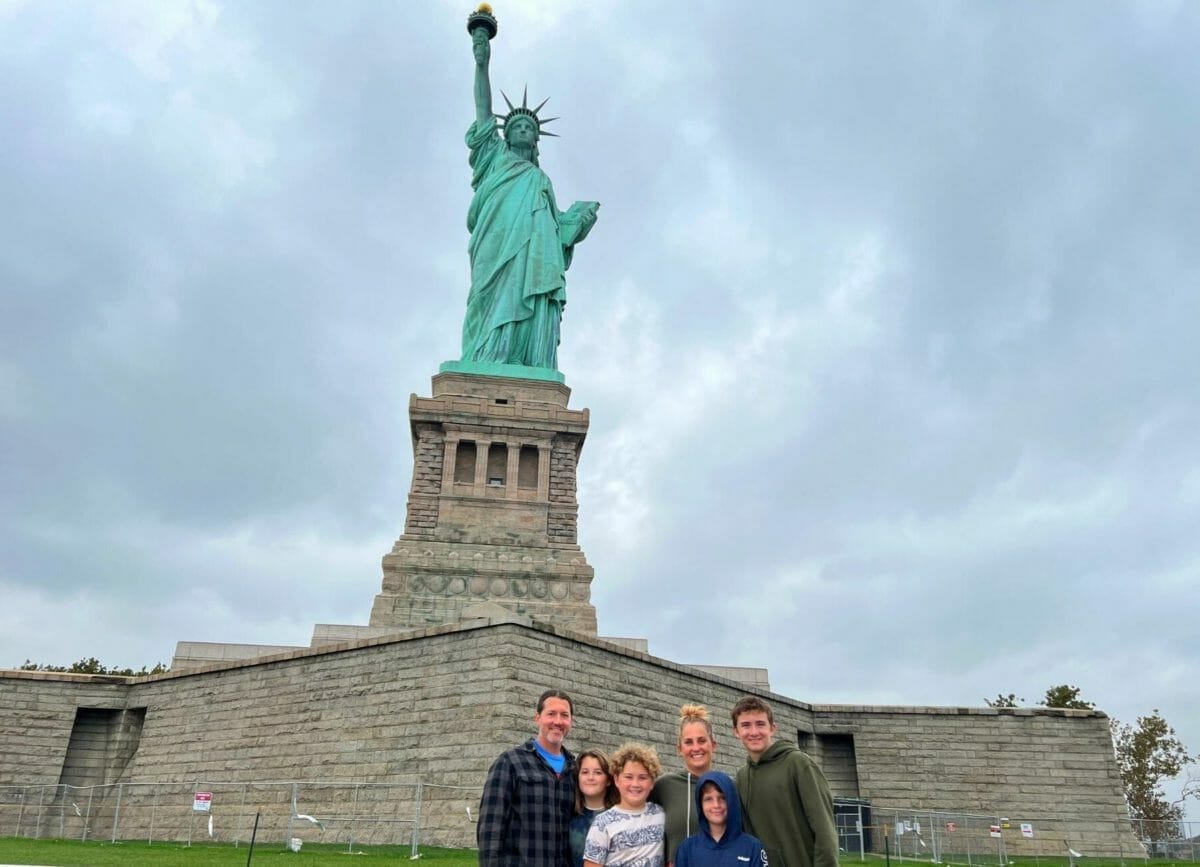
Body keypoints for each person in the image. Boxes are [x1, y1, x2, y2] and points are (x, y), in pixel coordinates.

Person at [463, 20, 600, 370]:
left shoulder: (541, 180)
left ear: (536, 140)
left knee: (532, 294)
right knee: (486, 298)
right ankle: (485, 355)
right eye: (516, 126)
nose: (523, 129)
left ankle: (525, 358)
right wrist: (482, 62)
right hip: (495, 246)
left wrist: (576, 224)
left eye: (529, 127)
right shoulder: (493, 158)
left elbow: (556, 232)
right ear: (505, 135)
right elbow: (482, 109)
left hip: (533, 256)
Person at [731, 696, 839, 867]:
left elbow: (824, 832)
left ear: (772, 728)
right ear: (736, 731)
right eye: (745, 725)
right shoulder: (742, 778)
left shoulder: (799, 764)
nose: (753, 732)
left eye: (760, 724)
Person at [477, 689, 577, 867]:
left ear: (571, 722)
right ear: (537, 718)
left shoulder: (575, 769)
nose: (558, 721)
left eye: (564, 715)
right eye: (551, 714)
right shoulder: (510, 762)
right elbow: (490, 829)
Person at [650, 704, 718, 864]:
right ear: (679, 748)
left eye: (702, 740)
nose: (696, 748)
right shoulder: (664, 786)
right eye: (688, 742)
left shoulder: (728, 787)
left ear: (713, 745)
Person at [583, 743, 666, 867]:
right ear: (616, 780)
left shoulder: (660, 814)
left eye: (643, 778)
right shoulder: (602, 823)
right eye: (628, 777)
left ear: (652, 782)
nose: (635, 784)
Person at [673, 771, 769, 867]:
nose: (716, 805)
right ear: (700, 804)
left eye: (722, 798)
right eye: (708, 799)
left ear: (731, 800)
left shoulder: (753, 847)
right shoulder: (686, 849)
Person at [570, 749, 619, 867]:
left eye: (598, 772)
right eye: (585, 772)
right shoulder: (569, 816)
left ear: (608, 780)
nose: (590, 777)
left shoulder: (620, 818)